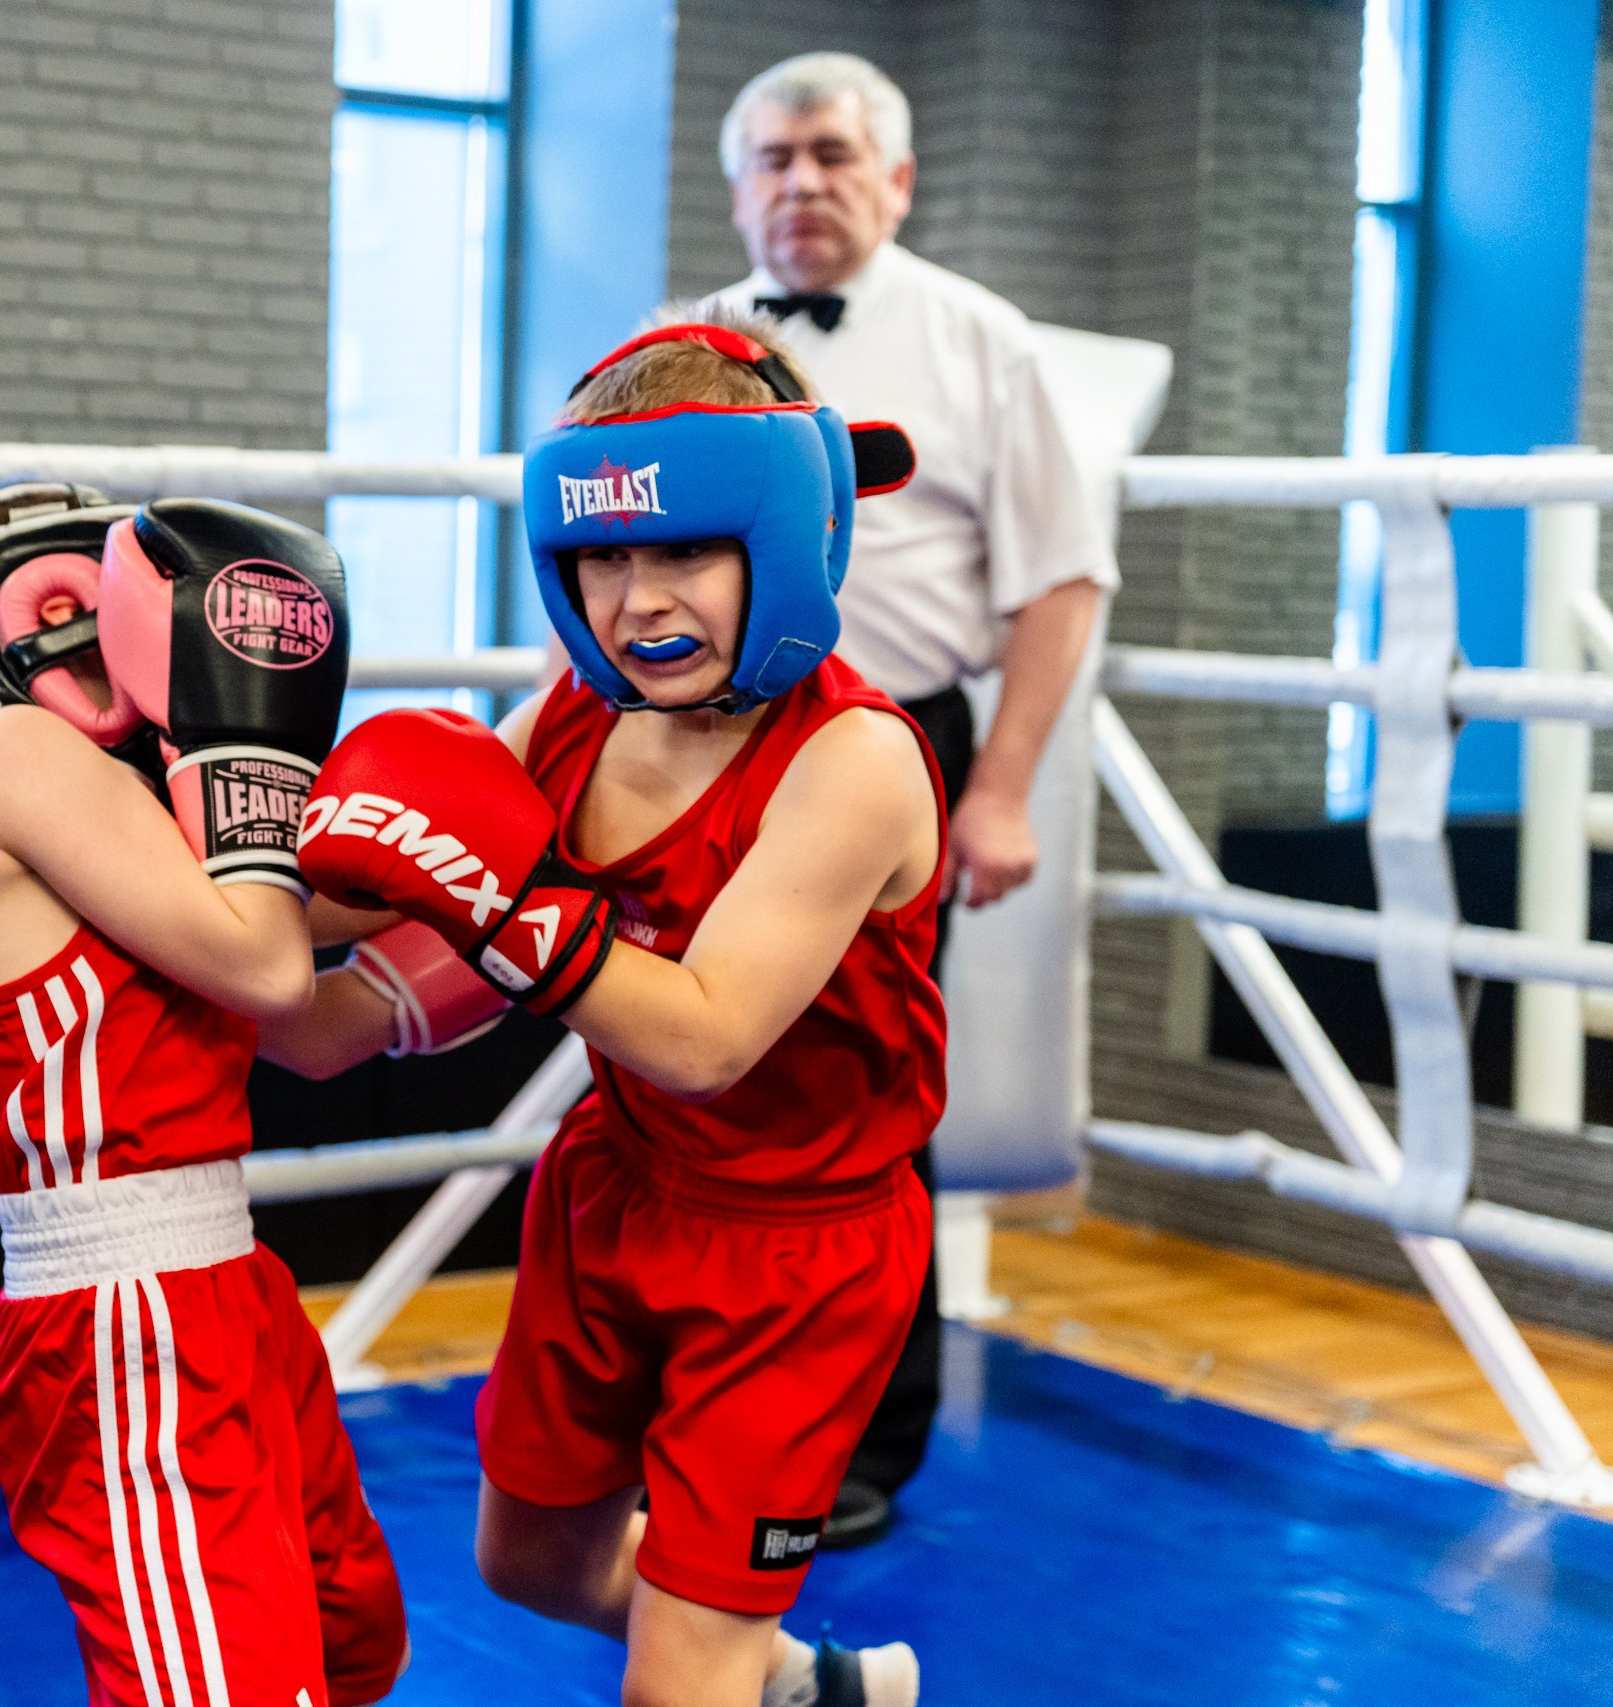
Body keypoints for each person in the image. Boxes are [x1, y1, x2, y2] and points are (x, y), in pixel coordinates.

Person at [285, 316, 934, 1707]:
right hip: (614, 1188)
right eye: (607, 554)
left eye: (685, 548)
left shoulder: (857, 758)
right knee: (527, 1560)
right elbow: (378, 896)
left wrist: (496, 903)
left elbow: (703, 1033)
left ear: (793, 534)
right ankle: (801, 1690)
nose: (641, 599)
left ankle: (725, 1668)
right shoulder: (578, 716)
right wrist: (169, 848)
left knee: (675, 1675)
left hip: (796, 1250)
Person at [0, 481, 408, 1707]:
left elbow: (327, 922)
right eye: (66, 608)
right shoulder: (3, 761)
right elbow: (273, 964)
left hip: (229, 1285)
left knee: (349, 1641)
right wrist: (248, 745)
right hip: (123, 1313)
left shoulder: (126, 806)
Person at [699, 50, 1118, 1543]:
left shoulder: (980, 343)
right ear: (738, 183)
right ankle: (694, 1411)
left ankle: (864, 1439)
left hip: (895, 745)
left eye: (830, 153)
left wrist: (999, 788)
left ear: (896, 178)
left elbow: (1064, 576)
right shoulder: (683, 347)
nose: (801, 182)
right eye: (773, 159)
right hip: (705, 743)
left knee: (864, 1091)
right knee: (685, 1074)